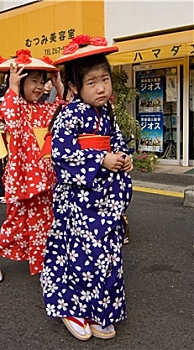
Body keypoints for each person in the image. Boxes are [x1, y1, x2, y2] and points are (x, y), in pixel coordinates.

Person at [40, 35, 133, 341]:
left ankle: (102, 310)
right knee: (82, 254)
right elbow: (62, 154)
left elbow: (117, 143)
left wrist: (123, 158)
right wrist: (99, 159)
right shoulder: (69, 114)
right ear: (75, 87)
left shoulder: (107, 114)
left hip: (103, 196)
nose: (102, 88)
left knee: (106, 253)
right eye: (91, 82)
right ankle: (73, 307)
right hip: (79, 200)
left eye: (105, 79)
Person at [0, 51, 64, 283]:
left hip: (47, 174)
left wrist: (59, 86)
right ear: (20, 82)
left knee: (46, 222)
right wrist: (13, 87)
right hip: (24, 176)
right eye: (33, 81)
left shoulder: (47, 109)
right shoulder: (15, 108)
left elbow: (65, 113)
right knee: (16, 223)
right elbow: (6, 114)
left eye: (42, 81)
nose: (39, 87)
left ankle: (46, 266)